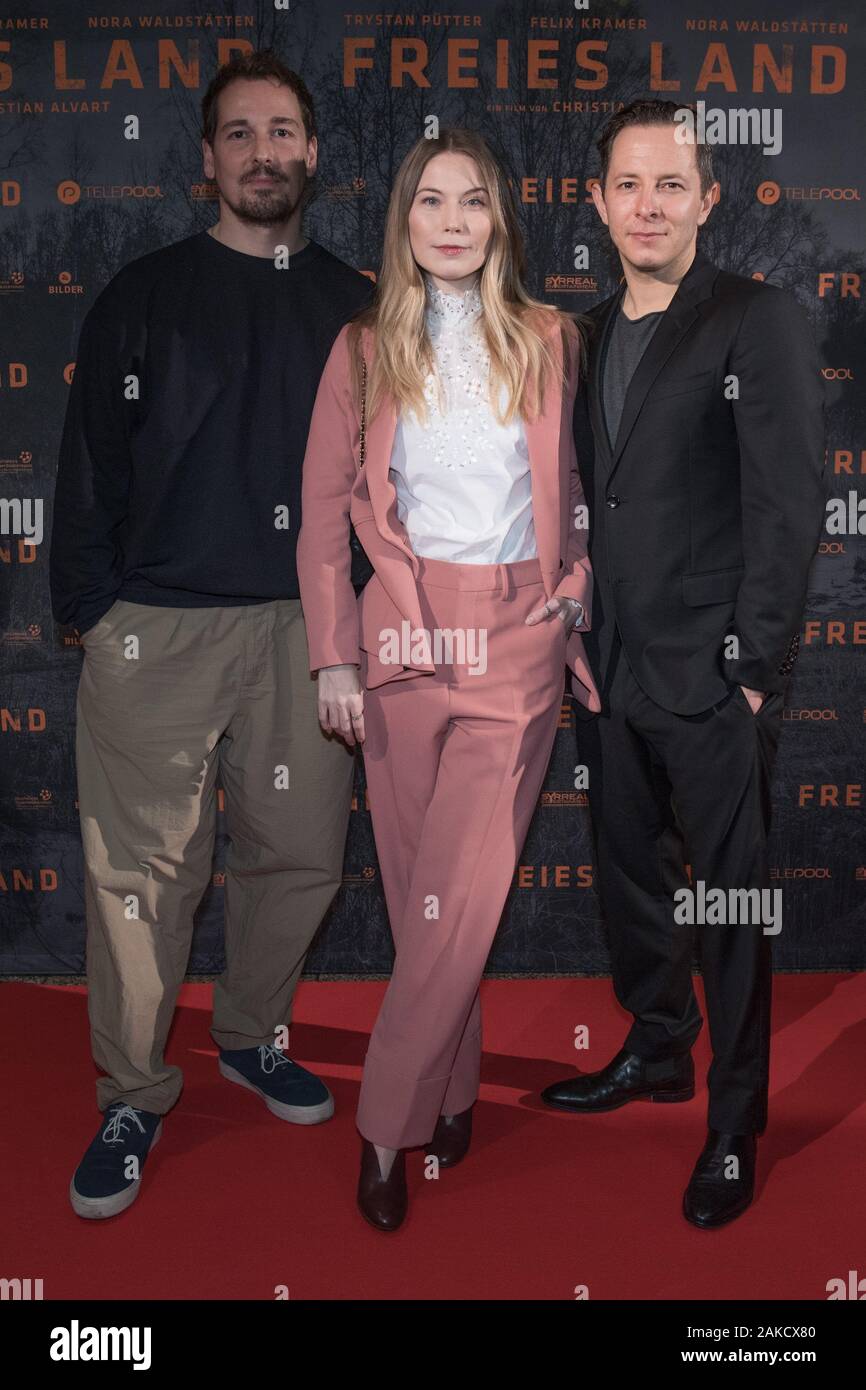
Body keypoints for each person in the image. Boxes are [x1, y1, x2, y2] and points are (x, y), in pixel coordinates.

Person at [49, 50, 374, 1220]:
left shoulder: (359, 303)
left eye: (281, 131)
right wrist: (94, 614)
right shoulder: (140, 296)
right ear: (205, 160)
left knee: (298, 859)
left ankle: (249, 1034)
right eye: (238, 134)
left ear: (312, 155)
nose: (262, 153)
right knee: (141, 880)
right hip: (159, 634)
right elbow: (85, 471)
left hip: (311, 632)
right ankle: (133, 1090)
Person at [297, 128, 600, 1231]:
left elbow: (597, 488)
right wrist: (334, 653)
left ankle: (385, 1126)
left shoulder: (552, 339)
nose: (454, 221)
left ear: (500, 220)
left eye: (474, 201)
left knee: (457, 893)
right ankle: (456, 1085)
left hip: (514, 641)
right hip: (399, 645)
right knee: (429, 894)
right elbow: (326, 519)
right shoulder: (360, 350)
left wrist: (574, 583)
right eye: (432, 201)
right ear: (403, 220)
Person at [542, 100, 826, 1228]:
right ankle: (658, 1052)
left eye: (671, 185)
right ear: (598, 201)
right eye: (627, 184)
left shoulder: (752, 319)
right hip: (607, 671)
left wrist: (751, 670)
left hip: (711, 678)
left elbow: (785, 499)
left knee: (731, 907)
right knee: (629, 886)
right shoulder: (583, 333)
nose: (647, 204)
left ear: (708, 200)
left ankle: (732, 1120)